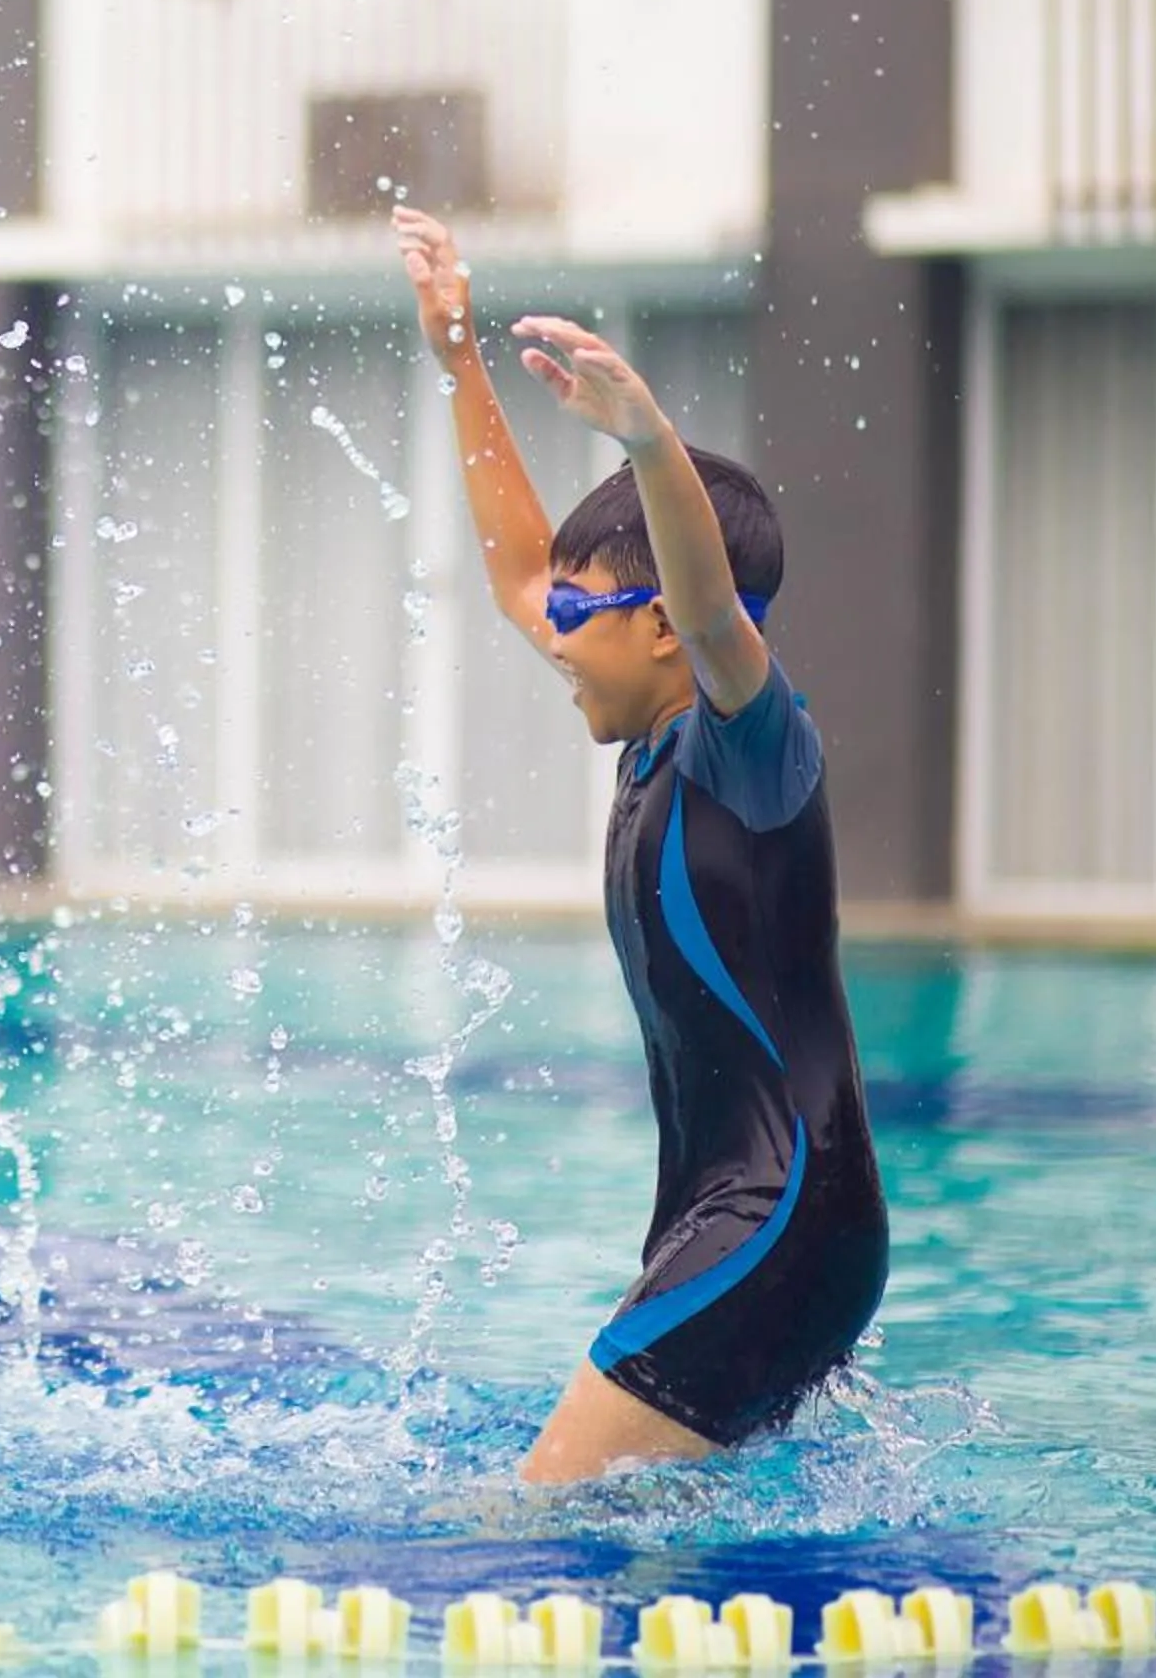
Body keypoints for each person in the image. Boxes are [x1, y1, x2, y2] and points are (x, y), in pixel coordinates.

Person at [394, 205, 888, 1484]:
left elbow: (720, 612)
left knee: (538, 1518)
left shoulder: (752, 749)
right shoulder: (651, 738)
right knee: (659, 1531)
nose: (548, 631)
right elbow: (516, 564)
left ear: (661, 625)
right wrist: (458, 361)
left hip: (782, 1223)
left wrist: (646, 438)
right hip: (731, 1221)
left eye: (580, 609)